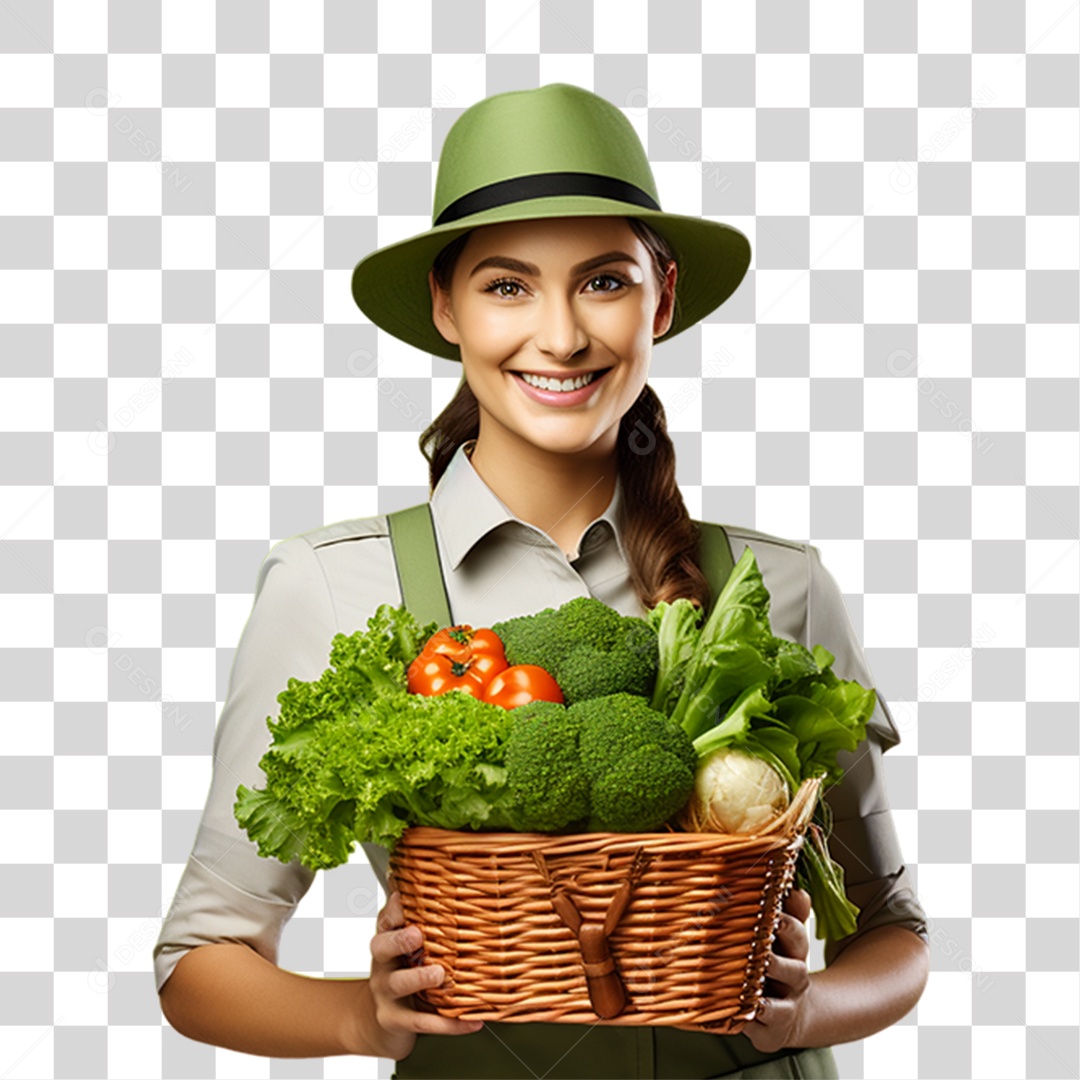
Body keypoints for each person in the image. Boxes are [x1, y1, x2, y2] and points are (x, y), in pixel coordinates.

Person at [155, 84, 930, 1078]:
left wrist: (805, 1007)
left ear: (664, 298)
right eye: (508, 286)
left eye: (604, 282)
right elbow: (197, 963)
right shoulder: (331, 586)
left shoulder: (777, 586)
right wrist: (366, 1021)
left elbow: (896, 931)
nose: (561, 337)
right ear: (446, 308)